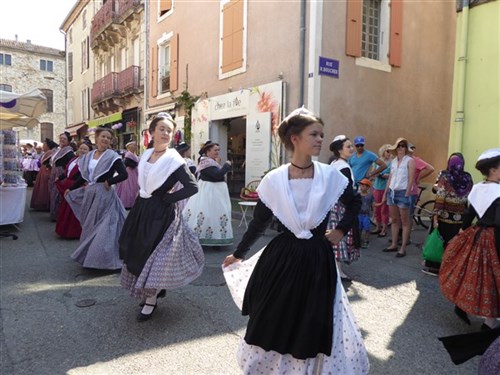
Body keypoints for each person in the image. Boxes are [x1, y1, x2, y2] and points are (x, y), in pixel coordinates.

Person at [222, 108, 368, 374]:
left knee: (311, 321)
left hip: (317, 257)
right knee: (271, 317)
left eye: (322, 135)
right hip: (282, 258)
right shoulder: (274, 180)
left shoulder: (330, 175)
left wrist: (340, 231)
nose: (320, 139)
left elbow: (355, 202)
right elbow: (259, 223)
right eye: (314, 134)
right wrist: (239, 253)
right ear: (294, 138)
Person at [119, 114, 204, 322]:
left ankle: (151, 299)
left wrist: (168, 199)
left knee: (154, 255)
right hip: (142, 208)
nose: (166, 133)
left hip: (161, 213)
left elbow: (192, 186)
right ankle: (150, 292)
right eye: (162, 129)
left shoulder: (174, 160)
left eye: (169, 130)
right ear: (152, 132)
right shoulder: (146, 154)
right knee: (138, 251)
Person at [439, 148, 500, 330]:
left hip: (477, 234)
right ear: (494, 170)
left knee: (473, 273)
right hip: (495, 237)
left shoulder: (478, 189)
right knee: (491, 278)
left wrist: (462, 232)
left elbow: (468, 215)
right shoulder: (498, 192)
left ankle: (466, 307)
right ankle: (489, 324)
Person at [65, 127, 128, 270]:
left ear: (111, 141)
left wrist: (109, 181)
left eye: (108, 138)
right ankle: (89, 256)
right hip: (90, 193)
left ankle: (103, 259)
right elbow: (83, 176)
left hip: (104, 195)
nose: (105, 139)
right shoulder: (89, 155)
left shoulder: (112, 156)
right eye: (103, 136)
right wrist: (72, 188)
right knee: (90, 225)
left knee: (104, 227)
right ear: (97, 138)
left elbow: (124, 174)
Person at [422, 153, 473, 276]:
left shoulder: (446, 177)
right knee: (454, 244)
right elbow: (470, 197)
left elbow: (440, 199)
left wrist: (435, 217)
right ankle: (451, 268)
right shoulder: (468, 178)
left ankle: (435, 267)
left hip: (444, 217)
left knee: (439, 242)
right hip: (459, 218)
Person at [183, 140, 233, 247]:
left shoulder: (211, 161)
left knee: (215, 214)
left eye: (218, 150)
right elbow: (217, 175)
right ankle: (202, 238)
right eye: (215, 150)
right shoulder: (206, 162)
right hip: (209, 193)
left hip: (215, 193)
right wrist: (226, 165)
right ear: (208, 151)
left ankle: (215, 238)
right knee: (207, 214)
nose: (217, 152)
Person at [328, 134, 360, 280]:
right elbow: (346, 193)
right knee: (338, 238)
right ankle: (337, 271)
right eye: (348, 146)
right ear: (340, 150)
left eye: (351, 146)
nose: (352, 148)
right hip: (339, 207)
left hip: (331, 205)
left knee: (333, 239)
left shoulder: (334, 164)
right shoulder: (344, 167)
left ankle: (335, 269)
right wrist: (355, 196)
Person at [382, 137, 415, 257]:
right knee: (394, 220)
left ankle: (403, 248)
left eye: (403, 146)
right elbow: (390, 177)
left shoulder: (409, 161)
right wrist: (386, 192)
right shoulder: (394, 161)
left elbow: (411, 178)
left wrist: (407, 192)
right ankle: (394, 244)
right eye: (399, 146)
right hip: (392, 192)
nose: (401, 148)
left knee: (405, 221)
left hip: (402, 193)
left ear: (406, 148)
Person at [55, 140, 92, 239]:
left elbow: (83, 177)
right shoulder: (74, 159)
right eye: (81, 148)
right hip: (68, 184)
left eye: (85, 149)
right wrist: (59, 178)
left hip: (77, 187)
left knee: (73, 210)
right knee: (65, 208)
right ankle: (64, 230)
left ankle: (73, 232)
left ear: (89, 151)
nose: (82, 150)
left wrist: (72, 188)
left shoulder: (88, 163)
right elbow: (67, 171)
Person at [49, 132, 75, 221]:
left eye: (64, 139)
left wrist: (64, 173)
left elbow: (71, 163)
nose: (62, 140)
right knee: (53, 192)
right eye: (61, 138)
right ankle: (54, 213)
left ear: (68, 141)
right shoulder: (59, 150)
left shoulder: (69, 152)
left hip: (61, 173)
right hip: (54, 172)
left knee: (58, 193)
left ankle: (58, 215)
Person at [30, 138, 58, 211]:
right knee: (41, 187)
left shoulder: (50, 152)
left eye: (44, 145)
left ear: (48, 145)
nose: (43, 146)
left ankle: (44, 204)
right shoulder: (48, 152)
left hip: (46, 171)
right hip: (43, 170)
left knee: (44, 188)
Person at [371, 144, 392, 237]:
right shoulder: (377, 161)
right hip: (376, 187)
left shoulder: (392, 163)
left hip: (385, 188)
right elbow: (373, 173)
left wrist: (384, 175)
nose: (389, 153)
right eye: (387, 151)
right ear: (383, 151)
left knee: (384, 209)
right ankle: (377, 226)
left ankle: (384, 229)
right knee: (376, 208)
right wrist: (376, 175)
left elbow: (392, 175)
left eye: (390, 151)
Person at [115, 141, 140, 209]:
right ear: (129, 147)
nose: (135, 147)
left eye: (136, 145)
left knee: (133, 188)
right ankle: (127, 203)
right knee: (129, 188)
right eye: (134, 145)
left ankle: (132, 202)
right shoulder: (128, 154)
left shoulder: (134, 154)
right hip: (130, 173)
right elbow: (127, 163)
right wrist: (135, 165)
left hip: (134, 172)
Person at [358, 178, 374, 248]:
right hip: (358, 214)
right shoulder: (358, 195)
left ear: (368, 187)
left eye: (363, 185)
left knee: (367, 228)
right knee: (359, 228)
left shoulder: (370, 196)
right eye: (361, 185)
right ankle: (358, 240)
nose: (361, 187)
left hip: (366, 214)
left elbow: (373, 204)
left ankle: (366, 240)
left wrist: (373, 211)